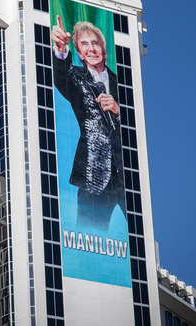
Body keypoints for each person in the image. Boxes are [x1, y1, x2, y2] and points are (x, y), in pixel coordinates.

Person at [51, 15, 126, 231]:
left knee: (141, 232)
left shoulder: (121, 83)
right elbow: (61, 74)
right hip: (93, 175)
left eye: (95, 43)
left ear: (104, 49)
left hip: (126, 173)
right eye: (84, 44)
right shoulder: (76, 78)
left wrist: (119, 111)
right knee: (90, 235)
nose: (91, 49)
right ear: (79, 53)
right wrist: (60, 49)